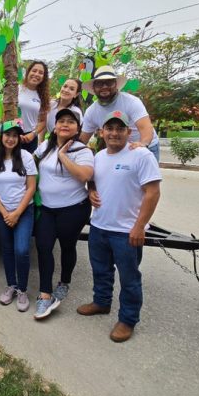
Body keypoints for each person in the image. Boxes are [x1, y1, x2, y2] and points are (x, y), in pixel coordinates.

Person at [78, 110, 161, 343]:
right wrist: (91, 190)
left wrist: (139, 226)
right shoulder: (98, 156)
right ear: (102, 132)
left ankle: (127, 319)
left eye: (119, 129)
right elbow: (93, 180)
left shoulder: (141, 156)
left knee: (129, 278)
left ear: (128, 132)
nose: (114, 133)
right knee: (101, 270)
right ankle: (102, 302)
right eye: (110, 128)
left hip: (126, 231)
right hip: (99, 226)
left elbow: (153, 192)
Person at [33, 107, 94, 320]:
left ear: (77, 128)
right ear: (55, 126)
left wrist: (63, 155)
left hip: (74, 209)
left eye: (70, 121)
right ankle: (44, 294)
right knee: (43, 248)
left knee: (67, 246)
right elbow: (30, 166)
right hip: (47, 210)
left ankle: (64, 282)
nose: (65, 124)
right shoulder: (44, 147)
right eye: (61, 121)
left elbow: (85, 175)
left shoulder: (82, 151)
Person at [0, 119, 37, 312]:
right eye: (7, 135)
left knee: (22, 250)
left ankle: (22, 290)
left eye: (15, 135)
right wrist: (4, 212)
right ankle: (11, 285)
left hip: (23, 212)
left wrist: (16, 213)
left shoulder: (26, 157)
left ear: (19, 138)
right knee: (7, 250)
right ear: (1, 137)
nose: (10, 139)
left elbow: (31, 187)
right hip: (2, 212)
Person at [80, 66, 160, 161]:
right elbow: (83, 139)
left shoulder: (131, 101)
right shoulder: (91, 111)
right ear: (93, 88)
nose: (104, 86)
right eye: (99, 83)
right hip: (117, 149)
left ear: (116, 85)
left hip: (143, 146)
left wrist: (143, 144)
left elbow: (145, 127)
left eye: (109, 82)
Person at [18, 60, 51, 153]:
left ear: (43, 77)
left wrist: (33, 134)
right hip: (12, 134)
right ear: (28, 72)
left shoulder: (43, 96)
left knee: (28, 166)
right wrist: (14, 131)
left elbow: (43, 121)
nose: (36, 74)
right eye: (34, 70)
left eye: (41, 73)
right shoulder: (16, 89)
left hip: (30, 138)